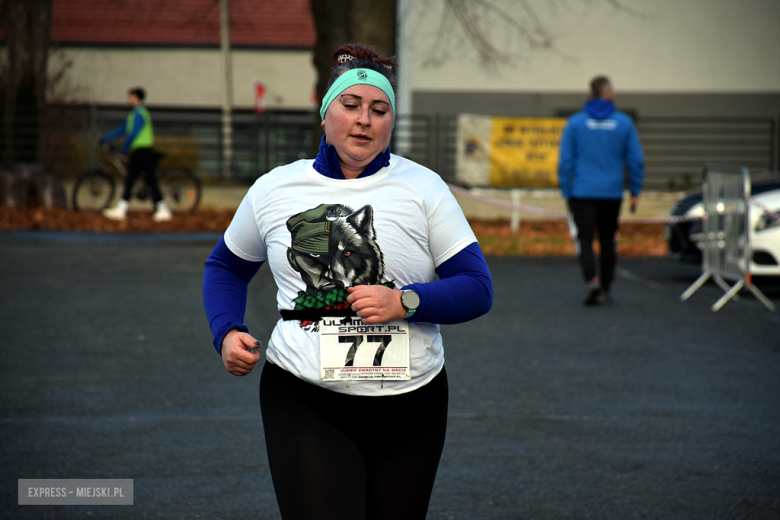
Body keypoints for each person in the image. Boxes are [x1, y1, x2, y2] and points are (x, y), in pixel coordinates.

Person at [202, 43, 493, 520]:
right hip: (304, 396)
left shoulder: (423, 189)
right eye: (351, 105)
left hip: (411, 405)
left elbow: (477, 287)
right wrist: (226, 329)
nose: (364, 119)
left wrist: (405, 301)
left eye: (379, 110)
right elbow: (227, 267)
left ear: (391, 122)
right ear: (325, 114)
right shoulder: (276, 188)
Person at [558, 75, 645, 305]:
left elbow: (565, 162)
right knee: (608, 240)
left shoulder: (575, 123)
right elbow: (635, 160)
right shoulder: (624, 123)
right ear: (610, 94)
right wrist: (635, 190)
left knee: (585, 239)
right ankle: (606, 288)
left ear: (589, 94)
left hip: (582, 192)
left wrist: (566, 190)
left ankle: (591, 280)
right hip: (612, 193)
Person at [99, 87, 172, 222]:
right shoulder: (133, 115)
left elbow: (132, 133)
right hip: (138, 151)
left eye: (130, 97)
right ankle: (122, 209)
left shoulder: (140, 114)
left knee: (149, 179)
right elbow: (122, 129)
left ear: (137, 98)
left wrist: (124, 148)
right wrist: (105, 138)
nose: (128, 99)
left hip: (143, 150)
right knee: (130, 178)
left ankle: (163, 209)